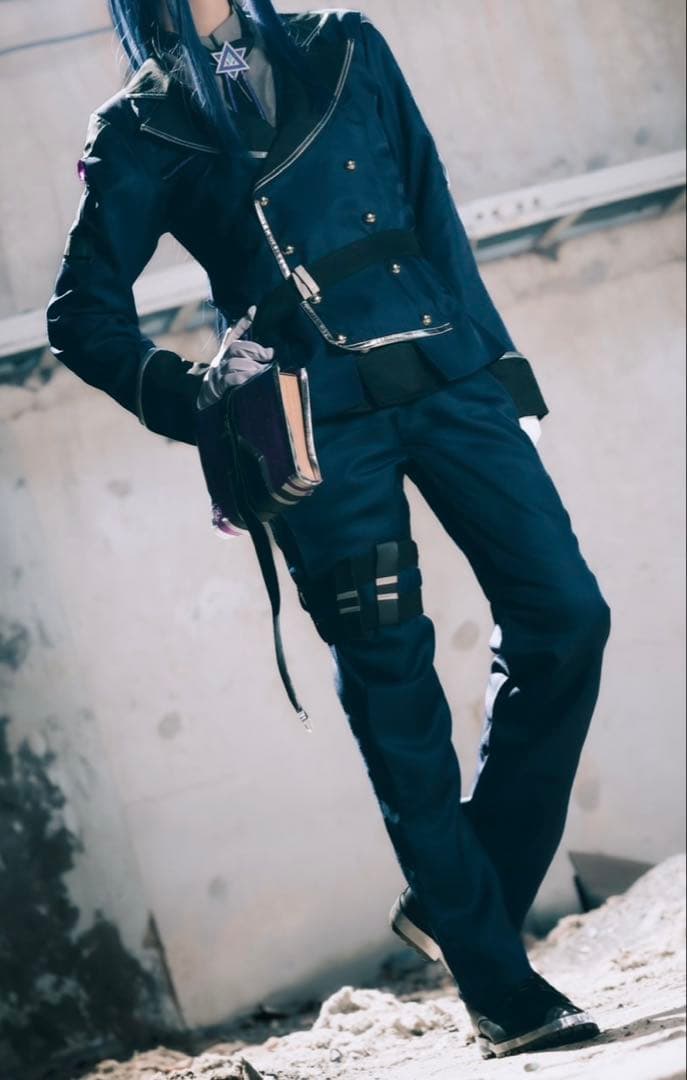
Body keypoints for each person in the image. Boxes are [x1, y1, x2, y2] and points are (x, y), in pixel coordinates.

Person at [45, 0, 612, 1060]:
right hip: (314, 433)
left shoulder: (344, 43)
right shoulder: (139, 126)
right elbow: (81, 313)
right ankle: (501, 989)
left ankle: (460, 902)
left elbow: (431, 207)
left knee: (568, 617)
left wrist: (499, 367)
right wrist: (197, 395)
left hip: (448, 377)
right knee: (397, 693)